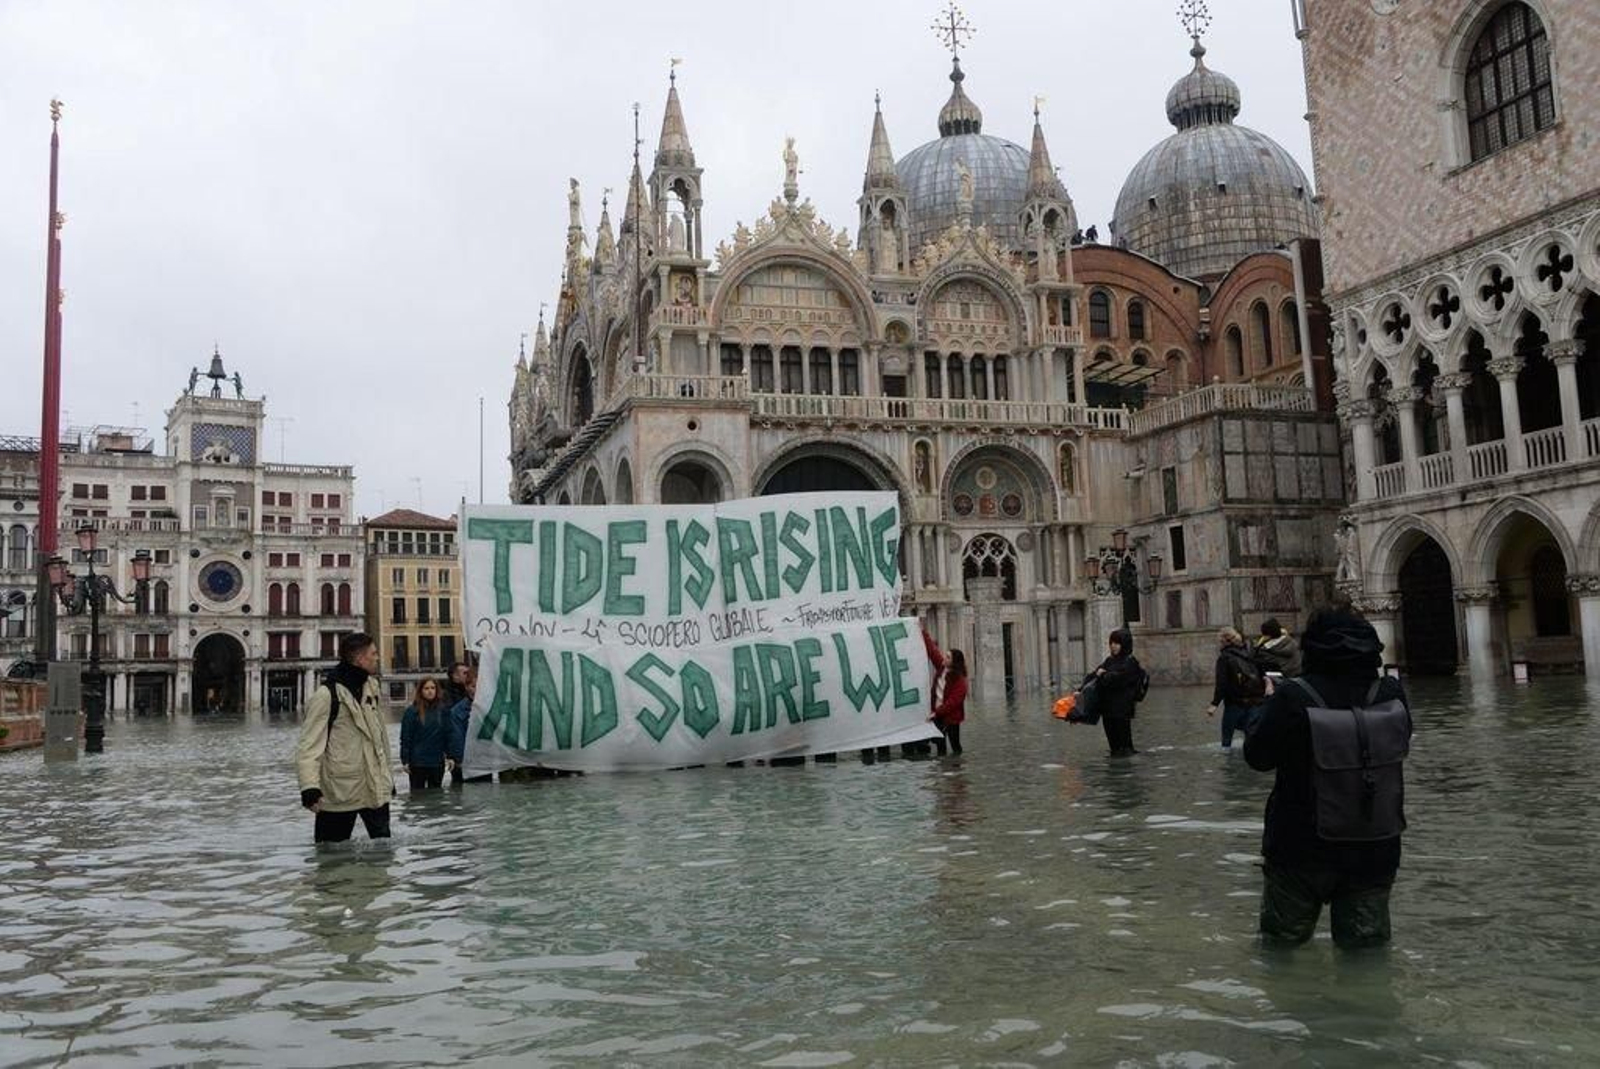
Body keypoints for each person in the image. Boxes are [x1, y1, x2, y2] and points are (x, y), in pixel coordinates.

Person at [1243, 604, 1412, 949]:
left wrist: (1264, 704)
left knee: (1280, 950)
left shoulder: (1293, 697)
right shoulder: (1390, 694)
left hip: (1300, 851)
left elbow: (1257, 757)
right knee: (1366, 956)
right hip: (1375, 847)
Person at [295, 633, 394, 843]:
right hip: (339, 792)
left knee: (383, 858)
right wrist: (309, 789)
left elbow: (381, 737)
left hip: (376, 789)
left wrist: (389, 779)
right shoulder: (326, 696)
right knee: (331, 860)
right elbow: (309, 746)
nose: (378, 658)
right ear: (360, 659)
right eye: (374, 654)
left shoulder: (372, 688)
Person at [1208, 627, 1266, 749]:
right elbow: (1262, 675)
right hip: (1255, 701)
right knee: (1250, 738)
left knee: (1226, 742)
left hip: (1234, 703)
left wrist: (1214, 704)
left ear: (1224, 641)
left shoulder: (1224, 658)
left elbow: (1221, 683)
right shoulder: (1250, 654)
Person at [1087, 627, 1142, 756]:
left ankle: (1126, 770)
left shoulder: (1131, 662)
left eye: (1117, 643)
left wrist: (1103, 675)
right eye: (1111, 643)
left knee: (1125, 745)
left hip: (1122, 710)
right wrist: (1080, 690)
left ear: (1124, 644)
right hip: (1108, 710)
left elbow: (1118, 679)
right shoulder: (1109, 661)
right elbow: (1093, 676)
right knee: (1113, 745)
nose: (1113, 646)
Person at [399, 677, 449, 791]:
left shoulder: (443, 711)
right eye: (426, 688)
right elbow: (406, 737)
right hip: (417, 763)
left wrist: (450, 755)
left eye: (433, 688)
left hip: (437, 762)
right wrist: (405, 760)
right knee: (417, 795)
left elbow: (448, 734)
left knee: (436, 795)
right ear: (420, 691)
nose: (430, 691)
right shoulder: (411, 712)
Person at [446, 668, 491, 785]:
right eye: (472, 686)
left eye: (479, 686)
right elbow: (456, 738)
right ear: (466, 687)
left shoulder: (489, 708)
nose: (476, 690)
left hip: (484, 762)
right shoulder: (457, 711)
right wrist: (460, 760)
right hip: (465, 763)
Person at [929, 642, 968, 755]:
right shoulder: (941, 668)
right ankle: (943, 768)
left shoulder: (960, 681)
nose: (944, 658)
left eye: (948, 657)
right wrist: (922, 631)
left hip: (951, 718)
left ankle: (957, 768)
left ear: (954, 662)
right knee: (940, 745)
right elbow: (933, 651)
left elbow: (952, 703)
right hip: (938, 715)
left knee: (955, 745)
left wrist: (936, 713)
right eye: (945, 655)